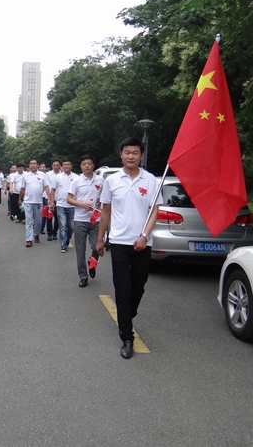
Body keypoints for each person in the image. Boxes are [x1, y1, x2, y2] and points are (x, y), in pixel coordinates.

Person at [96, 138, 162, 359]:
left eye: (135, 153)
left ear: (141, 156)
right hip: (119, 243)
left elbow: (154, 211)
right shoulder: (112, 181)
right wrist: (100, 239)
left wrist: (144, 236)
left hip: (143, 243)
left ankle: (127, 314)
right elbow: (106, 211)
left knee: (138, 287)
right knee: (122, 290)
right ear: (121, 154)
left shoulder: (151, 180)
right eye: (127, 152)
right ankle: (126, 337)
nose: (130, 156)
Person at [68, 154, 105, 288]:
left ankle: (92, 262)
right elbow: (69, 199)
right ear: (81, 166)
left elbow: (105, 197)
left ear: (93, 165)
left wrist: (100, 201)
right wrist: (81, 204)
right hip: (80, 219)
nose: (87, 166)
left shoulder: (101, 180)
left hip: (96, 219)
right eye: (84, 164)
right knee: (80, 249)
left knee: (97, 247)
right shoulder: (76, 181)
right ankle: (83, 276)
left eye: (89, 163)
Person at [18, 159, 51, 247]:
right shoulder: (25, 176)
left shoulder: (42, 175)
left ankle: (36, 234)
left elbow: (46, 187)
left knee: (38, 221)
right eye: (31, 164)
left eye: (35, 164)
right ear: (29, 165)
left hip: (38, 202)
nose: (33, 165)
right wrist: (19, 199)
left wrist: (49, 199)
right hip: (28, 202)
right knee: (29, 221)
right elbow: (22, 188)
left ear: (37, 165)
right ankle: (29, 239)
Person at [50, 159, 76, 253]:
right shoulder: (58, 177)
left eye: (68, 165)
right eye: (64, 165)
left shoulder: (77, 177)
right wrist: (51, 201)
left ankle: (67, 239)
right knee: (63, 225)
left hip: (73, 205)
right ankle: (63, 244)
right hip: (60, 205)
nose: (66, 166)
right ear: (62, 167)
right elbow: (53, 190)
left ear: (71, 166)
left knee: (71, 226)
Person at [42, 159, 61, 241]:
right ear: (52, 166)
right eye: (54, 165)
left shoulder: (62, 175)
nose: (56, 167)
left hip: (59, 199)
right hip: (49, 198)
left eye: (57, 165)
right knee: (49, 217)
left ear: (60, 166)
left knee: (58, 217)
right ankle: (49, 233)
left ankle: (54, 232)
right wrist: (48, 198)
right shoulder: (48, 174)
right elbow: (46, 186)